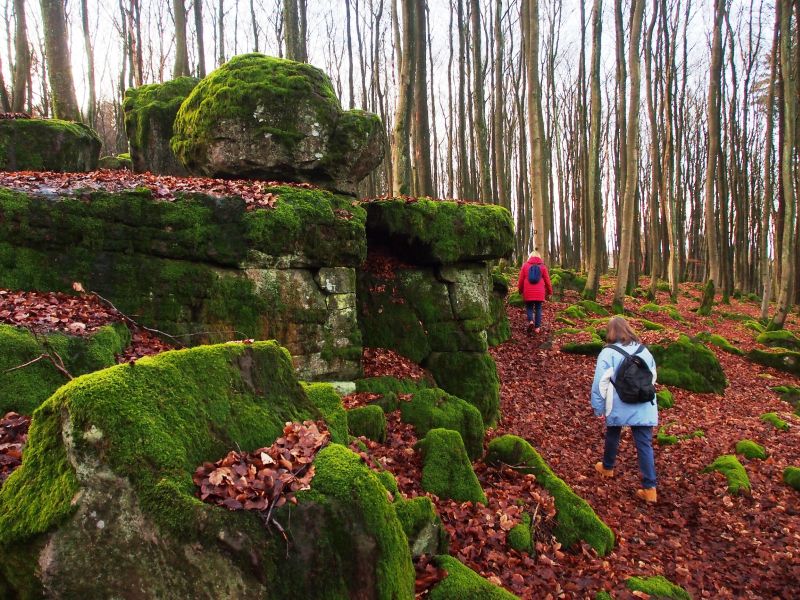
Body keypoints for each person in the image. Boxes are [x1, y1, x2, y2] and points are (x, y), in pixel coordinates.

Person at [590, 316, 659, 503]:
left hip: (618, 403)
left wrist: (598, 408)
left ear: (610, 332)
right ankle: (650, 488)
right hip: (644, 403)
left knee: (613, 432)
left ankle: (608, 467)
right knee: (644, 443)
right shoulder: (644, 350)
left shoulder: (608, 352)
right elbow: (652, 378)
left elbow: (599, 384)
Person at [516, 251, 553, 335]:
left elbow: (521, 280)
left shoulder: (525, 266)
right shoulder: (543, 267)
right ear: (539, 257)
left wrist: (520, 290)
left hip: (528, 291)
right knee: (538, 309)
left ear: (530, 256)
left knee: (529, 307)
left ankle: (531, 321)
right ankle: (537, 328)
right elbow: (547, 280)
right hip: (539, 292)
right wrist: (550, 291)